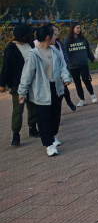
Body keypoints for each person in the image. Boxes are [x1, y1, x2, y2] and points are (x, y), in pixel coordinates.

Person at [18, 24, 71, 157]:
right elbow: (26, 75)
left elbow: (62, 67)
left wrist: (66, 77)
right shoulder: (33, 54)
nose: (55, 37)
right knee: (44, 118)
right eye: (53, 35)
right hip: (41, 90)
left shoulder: (55, 51)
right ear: (48, 37)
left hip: (56, 88)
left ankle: (52, 135)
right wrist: (22, 92)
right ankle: (49, 144)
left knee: (55, 116)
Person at [0, 24, 38, 146]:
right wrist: (2, 83)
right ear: (23, 35)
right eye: (29, 34)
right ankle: (16, 134)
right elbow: (6, 67)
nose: (32, 35)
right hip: (18, 85)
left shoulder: (30, 45)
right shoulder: (11, 48)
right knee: (18, 109)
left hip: (32, 83)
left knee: (33, 107)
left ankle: (33, 128)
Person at [64, 22, 96, 106]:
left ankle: (92, 94)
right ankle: (82, 99)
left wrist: (92, 58)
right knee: (77, 83)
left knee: (86, 80)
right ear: (72, 29)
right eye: (77, 28)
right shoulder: (67, 40)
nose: (79, 30)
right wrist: (66, 64)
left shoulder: (83, 39)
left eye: (80, 28)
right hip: (73, 66)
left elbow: (88, 50)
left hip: (83, 64)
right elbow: (65, 53)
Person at [51, 24, 76, 112]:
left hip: (61, 70)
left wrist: (65, 66)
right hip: (52, 73)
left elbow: (63, 56)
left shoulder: (58, 44)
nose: (56, 32)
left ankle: (69, 102)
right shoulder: (47, 46)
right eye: (54, 30)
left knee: (64, 89)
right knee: (58, 92)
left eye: (57, 30)